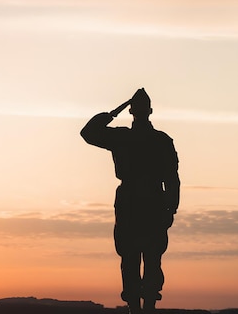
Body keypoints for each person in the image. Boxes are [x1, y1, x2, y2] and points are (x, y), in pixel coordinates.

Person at [80, 88, 180, 314]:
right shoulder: (134, 138)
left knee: (144, 257)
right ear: (148, 111)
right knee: (135, 256)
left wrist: (116, 111)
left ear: (132, 111)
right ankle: (138, 307)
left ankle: (143, 307)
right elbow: (173, 181)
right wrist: (170, 209)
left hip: (144, 202)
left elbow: (89, 132)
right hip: (139, 202)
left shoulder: (135, 138)